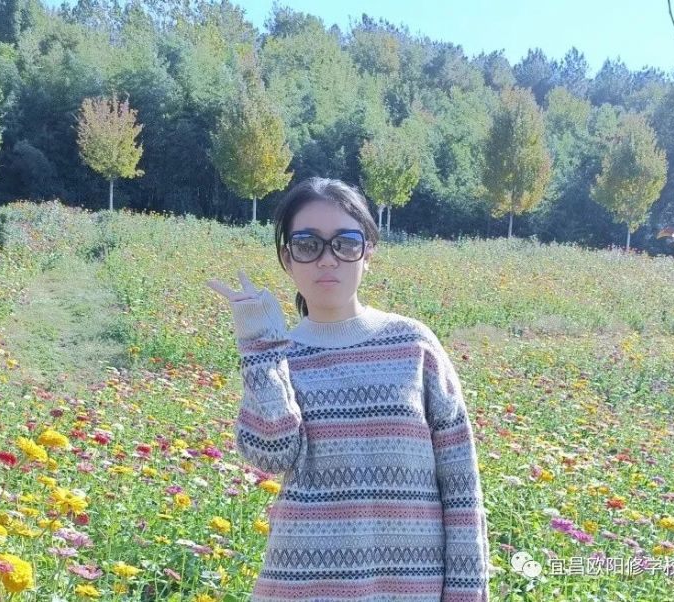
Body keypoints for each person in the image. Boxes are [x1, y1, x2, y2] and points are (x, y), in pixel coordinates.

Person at [206, 177, 490, 602]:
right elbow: (270, 456)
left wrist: (467, 592)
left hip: (412, 589)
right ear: (287, 258)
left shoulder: (413, 345)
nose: (327, 259)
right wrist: (261, 349)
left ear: (368, 252)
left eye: (345, 243)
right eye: (308, 244)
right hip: (303, 587)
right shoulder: (280, 357)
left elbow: (461, 483)